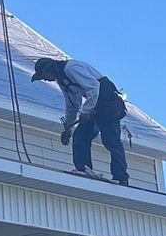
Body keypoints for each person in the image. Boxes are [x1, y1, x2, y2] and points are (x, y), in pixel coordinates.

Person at [31, 56, 130, 186]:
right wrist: (68, 129)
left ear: (49, 69)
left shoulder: (71, 68)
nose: (44, 79)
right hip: (94, 107)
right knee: (80, 136)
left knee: (111, 141)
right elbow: (72, 105)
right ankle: (83, 170)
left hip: (108, 104)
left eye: (43, 75)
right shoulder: (63, 80)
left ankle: (121, 177)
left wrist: (86, 111)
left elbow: (94, 87)